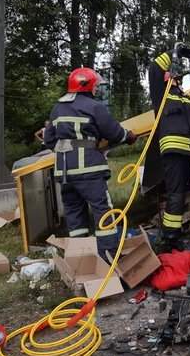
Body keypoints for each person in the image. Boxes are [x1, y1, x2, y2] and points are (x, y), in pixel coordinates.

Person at [44, 67, 136, 260]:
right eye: (95, 86)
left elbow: (49, 140)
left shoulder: (57, 108)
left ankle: (82, 260)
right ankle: (109, 258)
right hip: (90, 171)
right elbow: (114, 132)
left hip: (65, 173)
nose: (96, 89)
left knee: (74, 213)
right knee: (103, 211)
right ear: (88, 86)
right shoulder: (94, 107)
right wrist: (129, 136)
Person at [148, 44, 190, 251]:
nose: (178, 79)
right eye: (176, 76)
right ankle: (170, 238)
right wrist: (180, 53)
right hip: (174, 153)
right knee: (176, 195)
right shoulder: (162, 95)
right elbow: (155, 67)